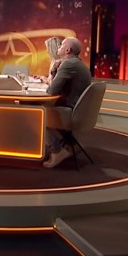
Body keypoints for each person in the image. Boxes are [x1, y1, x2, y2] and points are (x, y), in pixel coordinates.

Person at [41, 36, 92, 168]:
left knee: (36, 114)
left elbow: (52, 90)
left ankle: (57, 151)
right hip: (80, 111)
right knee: (42, 109)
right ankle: (70, 144)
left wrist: (53, 70)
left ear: (67, 50)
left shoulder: (68, 64)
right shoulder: (76, 63)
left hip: (71, 112)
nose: (59, 47)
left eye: (62, 45)